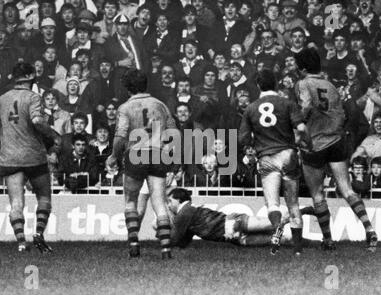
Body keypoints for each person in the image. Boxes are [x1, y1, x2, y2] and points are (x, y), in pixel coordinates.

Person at [295, 48, 378, 252]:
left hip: (314, 144)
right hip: (336, 140)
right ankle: (369, 229)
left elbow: (305, 107)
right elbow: (340, 113)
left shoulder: (303, 83)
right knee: (346, 188)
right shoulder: (330, 85)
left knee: (318, 194)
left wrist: (298, 124)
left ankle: (328, 240)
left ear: (303, 68)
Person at [106, 69, 178, 259]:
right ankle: (165, 248)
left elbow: (120, 136)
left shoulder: (125, 108)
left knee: (131, 200)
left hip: (136, 154)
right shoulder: (160, 105)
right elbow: (173, 132)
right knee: (159, 202)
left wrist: (114, 155)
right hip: (158, 154)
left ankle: (134, 245)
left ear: (128, 88)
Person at [239, 69, 309, 255]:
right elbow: (301, 128)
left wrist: (253, 148)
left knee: (272, 204)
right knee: (293, 203)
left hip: (267, 157)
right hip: (288, 154)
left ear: (258, 85)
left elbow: (243, 139)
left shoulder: (251, 108)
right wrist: (299, 143)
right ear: (276, 84)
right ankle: (298, 250)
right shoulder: (287, 103)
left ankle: (278, 227)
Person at [0, 62, 60, 252]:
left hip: (9, 157)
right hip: (34, 156)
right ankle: (39, 234)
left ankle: (22, 243)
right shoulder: (33, 97)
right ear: (31, 76)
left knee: (16, 202)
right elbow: (37, 121)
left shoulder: (2, 99)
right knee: (44, 197)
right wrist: (54, 135)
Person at [165, 188, 315, 248]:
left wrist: (161, 229)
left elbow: (174, 240)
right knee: (280, 238)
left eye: (170, 201)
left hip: (233, 226)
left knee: (275, 225)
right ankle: (316, 244)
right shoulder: (187, 212)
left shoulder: (184, 212)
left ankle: (305, 210)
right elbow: (183, 242)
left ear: (179, 200)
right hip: (235, 234)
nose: (169, 204)